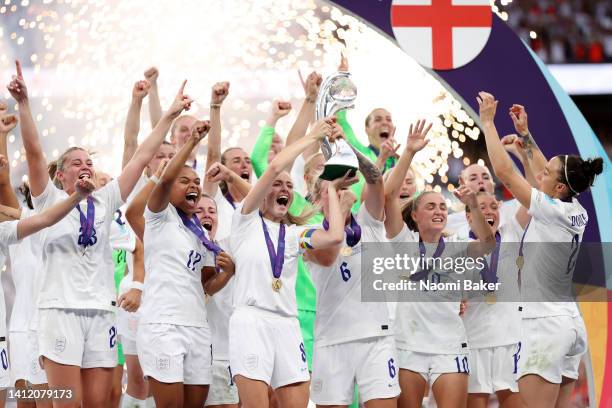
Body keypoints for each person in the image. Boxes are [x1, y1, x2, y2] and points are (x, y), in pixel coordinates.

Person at [8, 57, 193, 406]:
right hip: (59, 311)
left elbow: (140, 156)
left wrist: (169, 114)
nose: (85, 166)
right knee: (68, 403)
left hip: (100, 312)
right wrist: (24, 103)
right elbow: (34, 151)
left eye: (89, 162)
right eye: (76, 162)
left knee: (99, 403)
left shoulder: (106, 199)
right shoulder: (48, 199)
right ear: (60, 176)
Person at [477, 91, 603, 408]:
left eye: (548, 172)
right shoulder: (572, 207)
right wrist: (525, 134)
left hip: (544, 325)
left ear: (558, 187)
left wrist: (488, 124)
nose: (541, 171)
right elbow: (543, 171)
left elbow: (506, 173)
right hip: (569, 324)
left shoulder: (551, 209)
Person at [228, 118, 347, 408]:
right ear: (264, 191)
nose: (283, 188)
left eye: (289, 186)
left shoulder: (294, 235)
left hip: (288, 325)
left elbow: (333, 237)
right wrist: (312, 136)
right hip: (251, 320)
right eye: (277, 185)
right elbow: (272, 167)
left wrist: (331, 187)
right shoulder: (245, 222)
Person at [384, 120, 496, 408]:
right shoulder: (403, 243)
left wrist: (472, 203)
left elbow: (487, 243)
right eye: (430, 206)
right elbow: (387, 197)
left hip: (449, 345)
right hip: (408, 345)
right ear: (415, 216)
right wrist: (408, 152)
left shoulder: (458, 245)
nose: (439, 211)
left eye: (443, 207)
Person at [138, 120, 234, 407]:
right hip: (162, 325)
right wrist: (191, 142)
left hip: (197, 328)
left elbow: (206, 284)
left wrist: (227, 274)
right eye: (185, 181)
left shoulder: (201, 233)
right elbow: (164, 180)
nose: (193, 186)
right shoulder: (158, 216)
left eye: (196, 183)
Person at [303, 126, 401, 407]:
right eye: (329, 188)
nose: (339, 190)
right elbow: (330, 254)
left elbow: (374, 178)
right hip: (331, 341)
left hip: (376, 338)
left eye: (342, 186)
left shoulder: (368, 221)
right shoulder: (309, 233)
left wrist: (346, 146)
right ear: (317, 197)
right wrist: (338, 205)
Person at [461, 192, 524, 408]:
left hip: (509, 338)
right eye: (481, 207)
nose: (489, 211)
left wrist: (523, 159)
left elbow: (532, 196)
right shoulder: (457, 245)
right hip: (473, 339)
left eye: (493, 206)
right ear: (469, 216)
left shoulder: (511, 233)